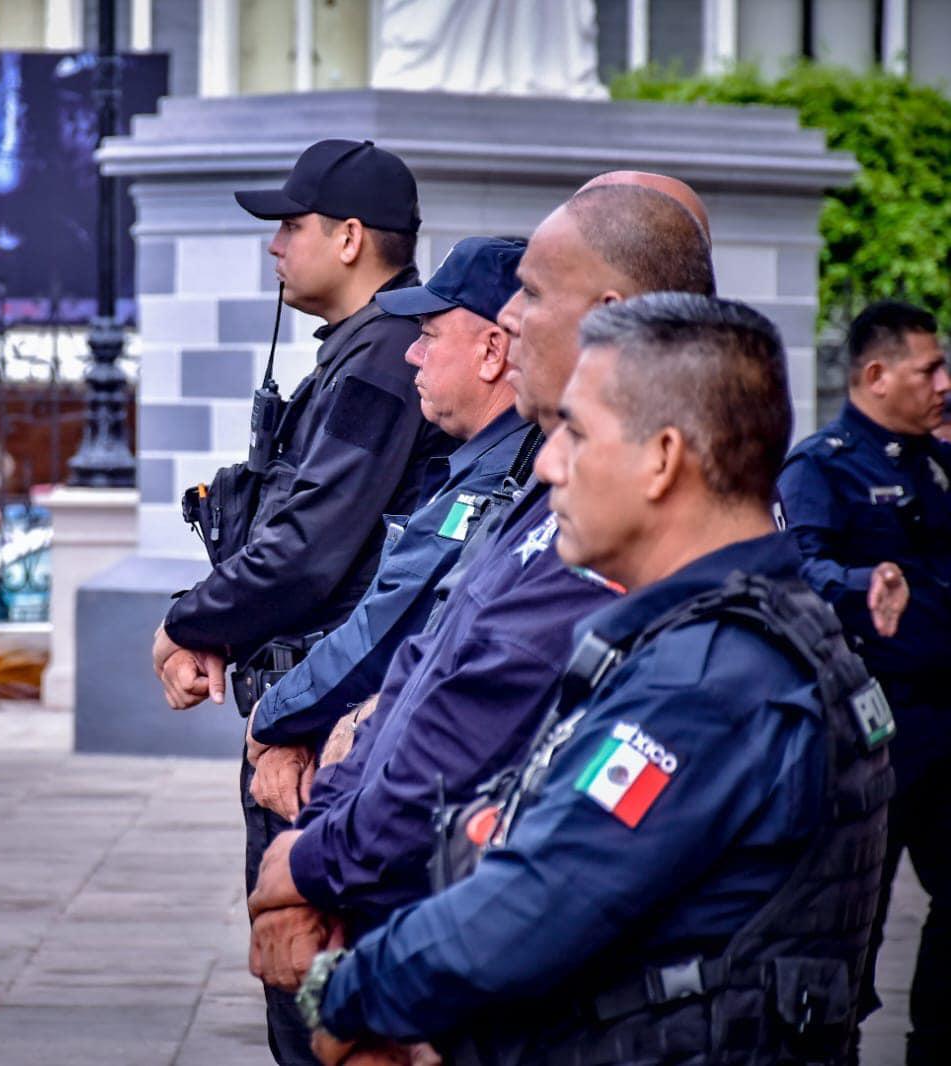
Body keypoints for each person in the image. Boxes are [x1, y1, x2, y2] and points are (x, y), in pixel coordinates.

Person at [299, 293, 892, 1066]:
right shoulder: (732, 633)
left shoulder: (708, 680)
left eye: (574, 433)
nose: (547, 464)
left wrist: (344, 991)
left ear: (662, 458)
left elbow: (522, 912)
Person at [245, 180, 715, 1004]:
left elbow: (477, 726)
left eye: (529, 296)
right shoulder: (549, 486)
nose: (510, 320)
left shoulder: (626, 521)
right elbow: (425, 668)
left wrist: (319, 871)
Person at [150, 138, 455, 1062]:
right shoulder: (363, 350)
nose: (274, 246)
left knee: (313, 998)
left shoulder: (379, 358)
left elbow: (307, 553)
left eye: (290, 226)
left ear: (352, 236)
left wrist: (184, 623)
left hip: (327, 719)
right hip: (311, 700)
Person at [246, 237, 535, 820]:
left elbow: (387, 623)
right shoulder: (489, 460)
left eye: (428, 336)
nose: (412, 356)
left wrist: (271, 717)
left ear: (491, 353)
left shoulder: (501, 476)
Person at [778, 300, 951, 1065]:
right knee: (851, 915)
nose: (944, 383)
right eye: (929, 369)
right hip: (871, 732)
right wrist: (859, 582)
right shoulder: (819, 466)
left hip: (945, 725)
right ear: (875, 376)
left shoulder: (937, 464)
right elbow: (794, 569)